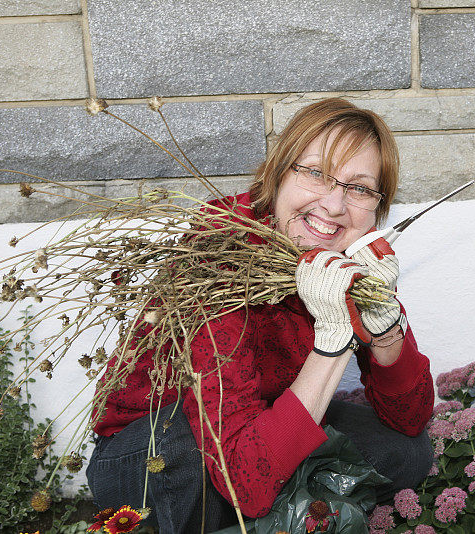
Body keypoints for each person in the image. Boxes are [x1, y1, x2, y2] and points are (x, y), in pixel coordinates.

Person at [86, 98, 435, 533]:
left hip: (259, 430)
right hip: (152, 452)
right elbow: (240, 481)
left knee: (406, 449)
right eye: (315, 173)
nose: (334, 204)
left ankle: (291, 511)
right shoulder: (218, 256)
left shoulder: (347, 262)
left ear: (377, 210)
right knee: (180, 455)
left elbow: (411, 417)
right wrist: (332, 338)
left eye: (360, 188)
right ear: (278, 171)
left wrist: (384, 328)